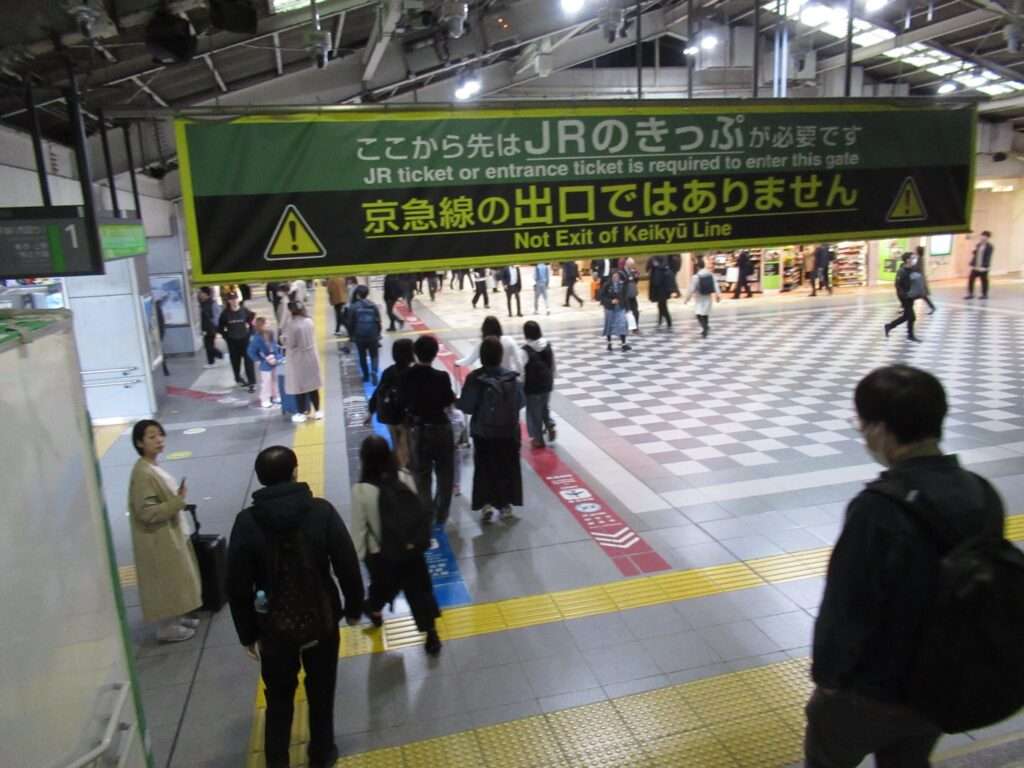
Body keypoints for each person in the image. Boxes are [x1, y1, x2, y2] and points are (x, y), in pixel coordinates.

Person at [805, 365, 1005, 768]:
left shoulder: (877, 509)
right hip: (939, 684)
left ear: (881, 430)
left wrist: (826, 681)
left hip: (871, 691)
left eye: (862, 423)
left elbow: (846, 608)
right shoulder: (982, 493)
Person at [226, 446, 364, 768]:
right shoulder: (321, 511)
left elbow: (236, 584)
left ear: (260, 479)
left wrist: (247, 633)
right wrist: (354, 607)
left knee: (278, 698)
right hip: (322, 621)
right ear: (295, 472)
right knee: (321, 691)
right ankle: (322, 753)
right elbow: (346, 564)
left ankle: (277, 760)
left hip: (274, 630)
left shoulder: (246, 523)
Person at [349, 436, 442, 654]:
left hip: (381, 554)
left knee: (382, 588)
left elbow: (359, 531)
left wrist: (360, 559)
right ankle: (431, 634)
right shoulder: (404, 476)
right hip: (410, 549)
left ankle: (374, 611)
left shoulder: (361, 490)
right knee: (419, 591)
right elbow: (415, 512)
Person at [128, 420, 202, 643]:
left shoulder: (151, 467)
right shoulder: (143, 473)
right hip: (158, 538)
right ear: (139, 443)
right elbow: (147, 512)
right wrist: (177, 501)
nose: (159, 440)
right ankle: (167, 627)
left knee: (176, 577)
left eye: (160, 435)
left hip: (167, 533)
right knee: (165, 580)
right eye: (151, 437)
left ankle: (177, 618)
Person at [457, 336, 525, 524]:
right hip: (508, 433)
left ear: (482, 356)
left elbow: (467, 407)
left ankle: (486, 504)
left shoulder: (475, 378)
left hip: (483, 433)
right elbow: (520, 403)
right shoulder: (512, 378)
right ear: (500, 355)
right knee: (507, 467)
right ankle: (505, 505)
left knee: (484, 468)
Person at [398, 334, 457, 524]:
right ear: (435, 354)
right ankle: (442, 513)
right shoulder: (442, 377)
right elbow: (449, 401)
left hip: (419, 430)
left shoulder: (406, 376)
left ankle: (426, 512)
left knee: (422, 475)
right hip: (441, 428)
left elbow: (402, 401)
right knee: (445, 474)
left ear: (415, 353)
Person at [367, 338, 414, 468]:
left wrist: (370, 411)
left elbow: (378, 391)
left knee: (396, 443)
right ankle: (406, 467)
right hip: (405, 417)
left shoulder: (389, 371)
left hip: (390, 415)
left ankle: (397, 467)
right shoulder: (412, 373)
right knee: (408, 445)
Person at [284, 301, 323, 423]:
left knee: (299, 387)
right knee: (313, 386)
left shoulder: (292, 324)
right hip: (311, 355)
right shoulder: (309, 321)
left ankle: (301, 413)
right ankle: (318, 411)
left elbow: (291, 343)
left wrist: (283, 340)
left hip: (299, 358)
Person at [522, 321, 556, 449]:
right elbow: (553, 364)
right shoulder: (547, 345)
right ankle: (549, 424)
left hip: (532, 386)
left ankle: (538, 439)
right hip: (547, 383)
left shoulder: (525, 350)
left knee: (533, 412)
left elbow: (521, 370)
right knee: (544, 406)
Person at [456, 315, 523, 375]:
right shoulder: (509, 340)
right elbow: (518, 361)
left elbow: (470, 360)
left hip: (489, 378)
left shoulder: (482, 343)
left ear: (484, 328)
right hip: (507, 378)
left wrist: (457, 363)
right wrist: (520, 377)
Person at [218, 292, 256, 391]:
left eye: (235, 299)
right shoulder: (225, 314)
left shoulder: (245, 311)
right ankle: (238, 378)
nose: (234, 301)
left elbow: (252, 322)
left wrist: (251, 333)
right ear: (229, 301)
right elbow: (220, 327)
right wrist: (226, 337)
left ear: (238, 300)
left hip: (245, 339)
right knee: (235, 361)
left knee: (249, 361)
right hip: (232, 341)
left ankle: (252, 382)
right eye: (231, 299)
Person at [883, 251, 922, 343]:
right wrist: (903, 295)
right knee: (912, 317)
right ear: (907, 260)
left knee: (906, 316)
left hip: (911, 295)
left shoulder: (912, 269)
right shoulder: (901, 271)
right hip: (904, 297)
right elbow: (897, 285)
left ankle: (889, 326)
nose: (914, 259)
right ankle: (910, 335)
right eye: (912, 258)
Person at [350, 285, 383, 384]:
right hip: (372, 335)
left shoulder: (354, 306)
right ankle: (374, 371)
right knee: (374, 355)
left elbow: (350, 323)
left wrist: (352, 336)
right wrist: (378, 334)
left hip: (359, 336)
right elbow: (378, 321)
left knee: (362, 356)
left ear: (357, 294)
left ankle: (366, 376)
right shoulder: (373, 305)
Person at [248, 319, 283, 409]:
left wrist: (277, 357)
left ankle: (276, 396)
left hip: (275, 361)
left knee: (275, 380)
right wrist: (259, 360)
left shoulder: (271, 334)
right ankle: (265, 399)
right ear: (261, 326)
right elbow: (251, 351)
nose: (269, 324)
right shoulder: (256, 338)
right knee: (266, 382)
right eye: (266, 323)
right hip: (265, 363)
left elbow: (275, 347)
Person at [684, 258, 721, 338]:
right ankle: (705, 327)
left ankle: (705, 328)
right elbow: (716, 286)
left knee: (698, 314)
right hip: (708, 297)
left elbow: (691, 289)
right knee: (705, 313)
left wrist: (687, 299)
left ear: (697, 267)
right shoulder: (711, 275)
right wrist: (718, 295)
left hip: (699, 297)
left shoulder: (696, 276)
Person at [600, 270, 631, 352]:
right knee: (609, 325)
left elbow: (625, 296)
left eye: (617, 276)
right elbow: (601, 297)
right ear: (611, 277)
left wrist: (627, 308)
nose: (616, 278)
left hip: (620, 308)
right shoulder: (607, 285)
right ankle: (609, 343)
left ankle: (624, 344)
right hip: (609, 308)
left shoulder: (622, 284)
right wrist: (611, 301)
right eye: (614, 277)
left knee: (622, 324)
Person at [198, 287, 224, 368]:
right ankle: (211, 362)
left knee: (208, 345)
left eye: (201, 293)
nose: (200, 294)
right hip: (206, 328)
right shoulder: (203, 303)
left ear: (206, 294)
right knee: (208, 345)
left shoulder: (212, 303)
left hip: (211, 328)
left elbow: (217, 315)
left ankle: (219, 355)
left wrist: (215, 326)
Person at [965, 230, 994, 300]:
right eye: (982, 236)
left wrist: (985, 266)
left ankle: (984, 295)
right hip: (976, 266)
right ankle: (970, 294)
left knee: (984, 281)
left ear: (988, 238)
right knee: (971, 279)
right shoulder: (978, 245)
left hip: (983, 267)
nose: (983, 237)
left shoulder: (990, 246)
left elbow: (988, 257)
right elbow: (975, 253)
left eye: (985, 236)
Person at [648, 256, 674, 329]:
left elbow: (656, 281)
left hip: (661, 290)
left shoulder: (659, 268)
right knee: (661, 306)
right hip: (662, 290)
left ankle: (668, 322)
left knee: (662, 306)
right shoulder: (663, 266)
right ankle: (661, 321)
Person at [912, 245, 936, 314]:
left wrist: (911, 267)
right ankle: (933, 307)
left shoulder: (920, 259)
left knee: (914, 295)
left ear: (918, 251)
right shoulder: (920, 258)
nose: (915, 251)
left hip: (920, 281)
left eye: (916, 250)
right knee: (922, 296)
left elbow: (917, 268)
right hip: (920, 280)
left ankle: (905, 308)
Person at [623, 257, 641, 333]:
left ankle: (635, 328)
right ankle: (627, 327)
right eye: (631, 264)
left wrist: (636, 277)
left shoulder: (633, 271)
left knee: (636, 311)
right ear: (627, 264)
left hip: (633, 294)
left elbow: (635, 281)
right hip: (626, 295)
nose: (632, 266)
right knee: (628, 312)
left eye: (632, 264)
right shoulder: (622, 272)